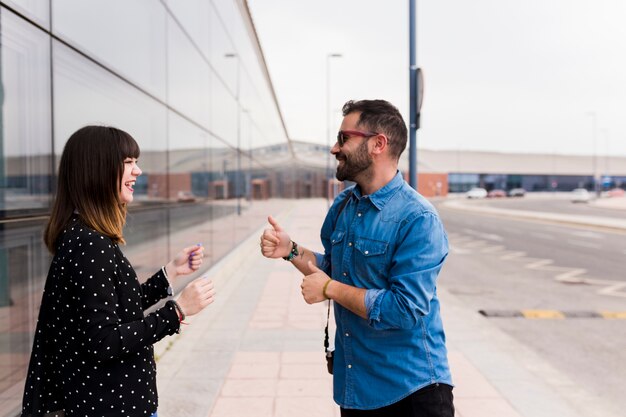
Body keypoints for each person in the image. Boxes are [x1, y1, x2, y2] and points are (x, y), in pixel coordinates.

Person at [261, 100, 454, 416]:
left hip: (412, 392)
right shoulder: (343, 206)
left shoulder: (418, 218)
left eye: (343, 138)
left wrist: (329, 290)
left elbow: (405, 309)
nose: (334, 149)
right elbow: (337, 270)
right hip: (357, 388)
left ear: (378, 144)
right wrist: (291, 250)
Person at [21, 126, 216, 417]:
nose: (137, 171)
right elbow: (104, 340)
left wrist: (171, 272)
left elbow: (115, 309)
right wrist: (177, 311)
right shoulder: (90, 244)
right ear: (97, 170)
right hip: (114, 407)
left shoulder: (83, 237)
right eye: (128, 163)